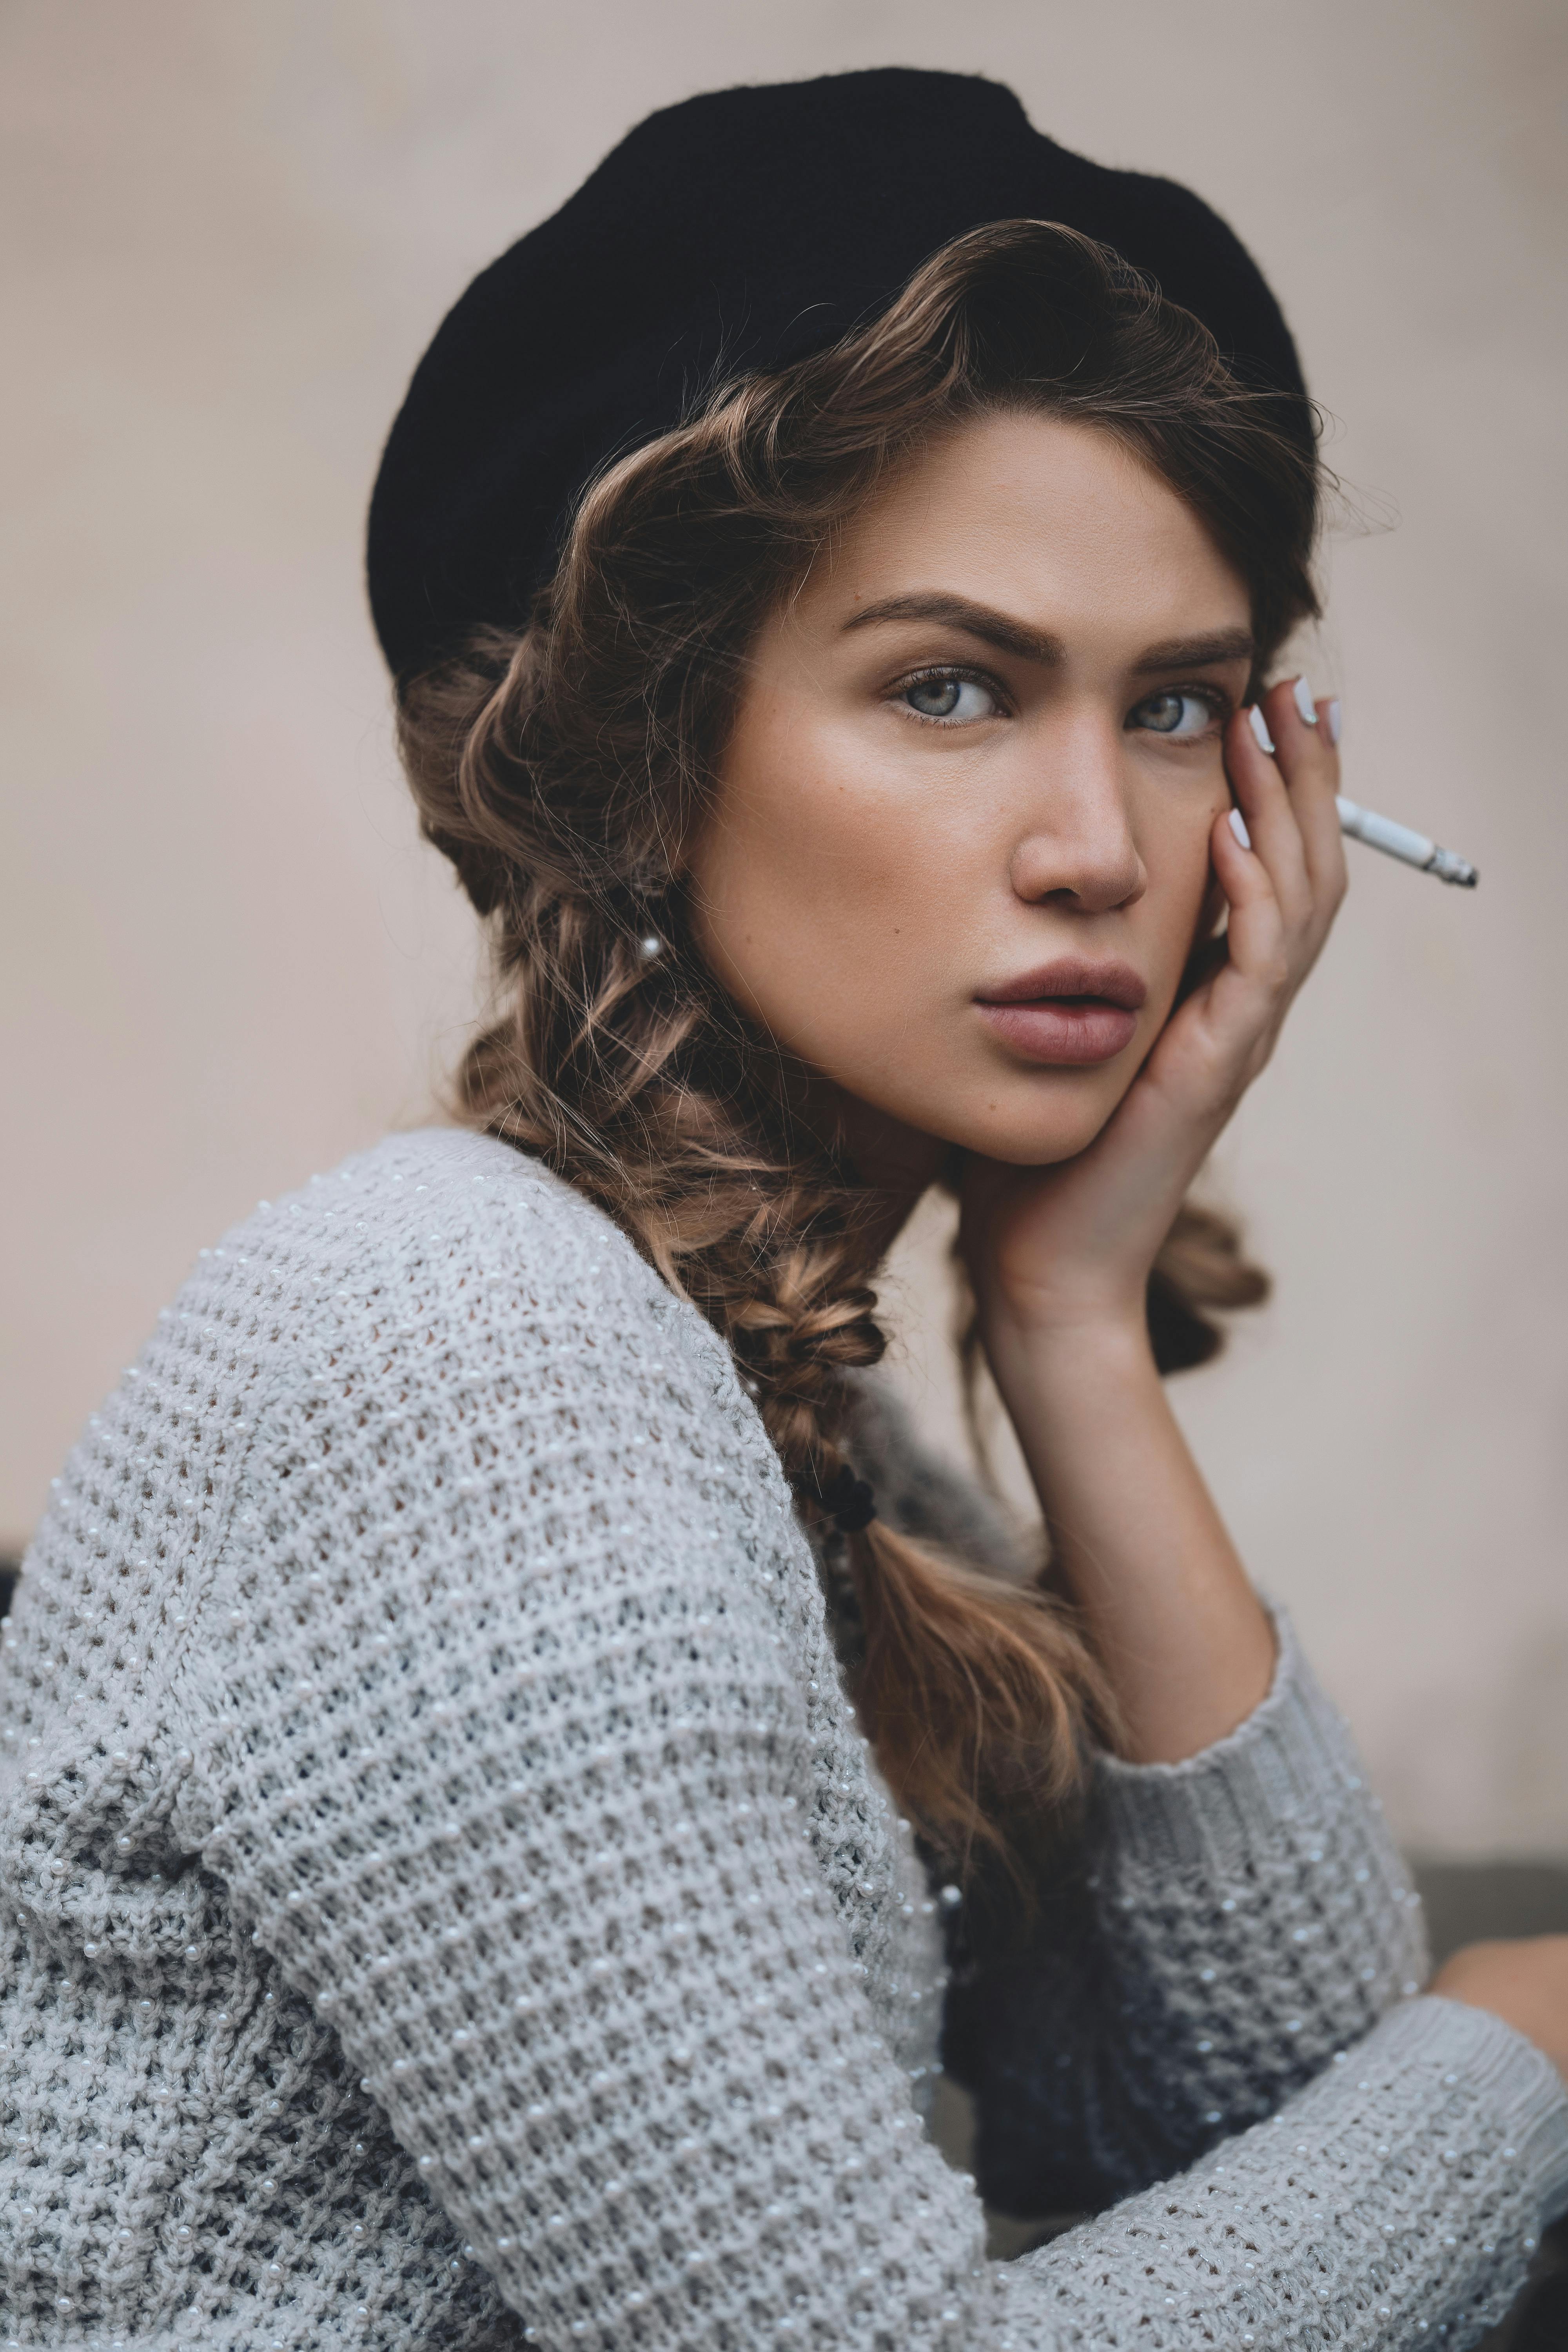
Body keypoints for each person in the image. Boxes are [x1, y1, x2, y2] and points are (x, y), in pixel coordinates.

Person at [4, 67, 1565, 2352]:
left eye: (1177, 710)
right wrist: (1521, 2053)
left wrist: (1075, 1324)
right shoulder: (472, 1356)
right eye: (949, 687)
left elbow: (1270, 2141)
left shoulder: (788, 1402)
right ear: (644, 750)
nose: (1100, 851)